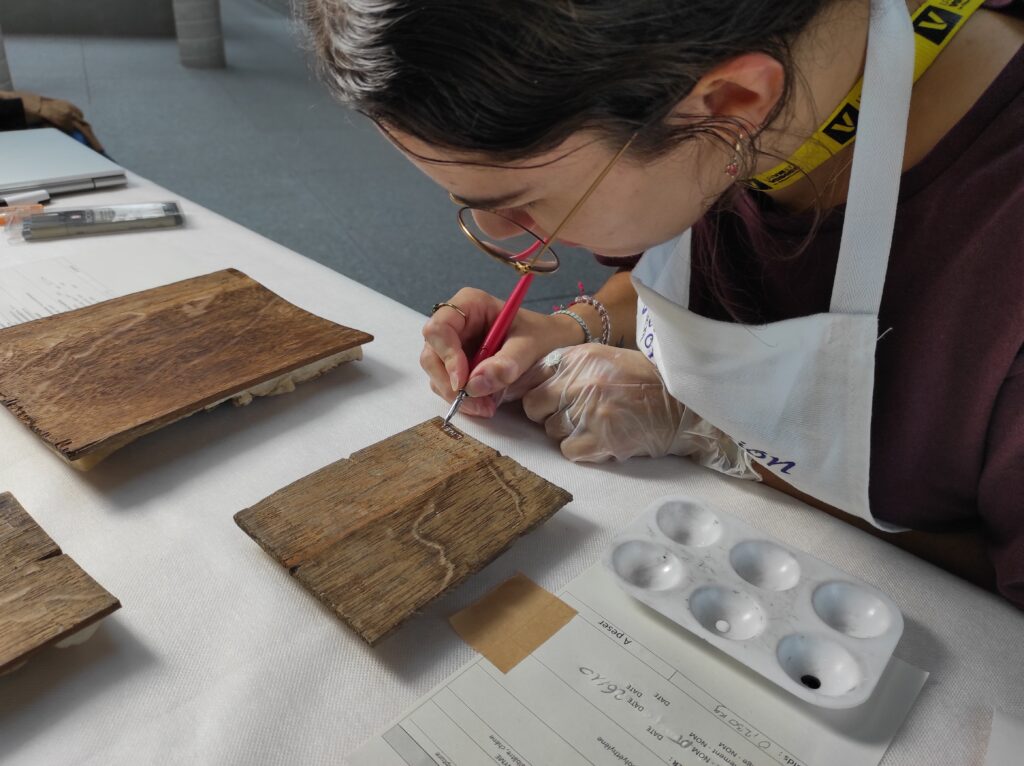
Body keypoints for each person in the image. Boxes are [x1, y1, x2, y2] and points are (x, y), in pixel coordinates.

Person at [301, 0, 1024, 608]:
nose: (499, 241)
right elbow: (669, 264)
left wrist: (720, 438)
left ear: (732, 104)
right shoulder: (765, 99)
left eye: (515, 203)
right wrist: (570, 323)